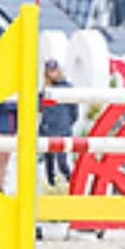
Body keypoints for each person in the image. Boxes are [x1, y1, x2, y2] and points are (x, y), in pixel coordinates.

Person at [39, 58, 78, 188]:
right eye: (50, 71)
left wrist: (67, 123)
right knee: (48, 160)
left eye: (54, 70)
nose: (53, 73)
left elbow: (74, 111)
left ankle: (72, 183)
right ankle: (52, 185)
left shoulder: (67, 87)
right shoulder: (44, 90)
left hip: (62, 127)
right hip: (48, 127)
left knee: (62, 161)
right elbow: (39, 108)